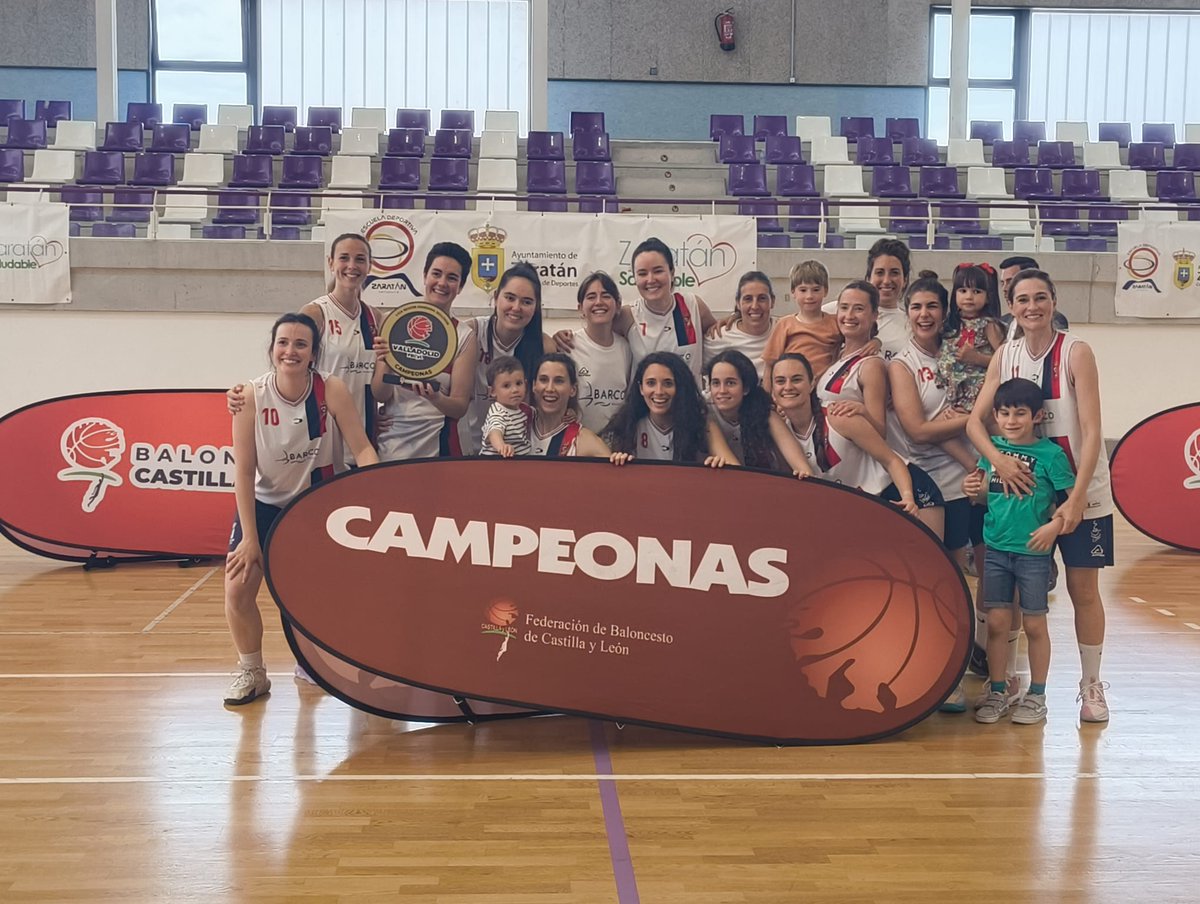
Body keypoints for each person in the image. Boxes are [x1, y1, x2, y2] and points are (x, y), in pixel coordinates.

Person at [967, 268, 1114, 723]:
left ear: (1053, 301)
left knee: (1082, 589)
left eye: (1041, 298)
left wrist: (1075, 499)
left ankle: (1091, 686)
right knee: (1009, 596)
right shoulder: (1005, 355)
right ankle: (1008, 681)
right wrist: (999, 461)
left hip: (1080, 492)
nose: (1032, 306)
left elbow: (1091, 431)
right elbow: (976, 423)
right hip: (1023, 496)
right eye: (1022, 299)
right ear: (1010, 306)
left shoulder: (1076, 351)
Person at [223, 313, 380, 706]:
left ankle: (316, 663)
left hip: (317, 505)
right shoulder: (249, 396)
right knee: (238, 588)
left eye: (300, 344)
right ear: (272, 348)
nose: (290, 351)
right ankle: (252, 670)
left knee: (317, 593)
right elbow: (243, 472)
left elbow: (361, 448)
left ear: (313, 353)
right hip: (264, 504)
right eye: (283, 342)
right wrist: (249, 540)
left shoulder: (333, 390)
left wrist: (381, 496)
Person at [888, 277, 987, 710]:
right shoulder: (901, 363)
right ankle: (936, 672)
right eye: (917, 307)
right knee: (941, 581)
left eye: (932, 306)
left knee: (988, 574)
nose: (925, 314)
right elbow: (917, 430)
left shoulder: (956, 353)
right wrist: (971, 421)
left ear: (944, 312)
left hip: (976, 478)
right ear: (906, 313)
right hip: (935, 484)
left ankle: (984, 660)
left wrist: (973, 427)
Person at [963, 377, 1076, 725]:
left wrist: (1053, 527)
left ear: (1038, 416)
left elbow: (1072, 504)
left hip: (1032, 554)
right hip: (996, 549)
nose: (1011, 421)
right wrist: (972, 489)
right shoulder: (992, 450)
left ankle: (1037, 695)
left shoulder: (1051, 456)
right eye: (1005, 413)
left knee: (1035, 624)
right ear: (995, 416)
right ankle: (999, 689)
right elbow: (983, 494)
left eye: (1020, 413)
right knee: (997, 623)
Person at [227, 234, 383, 470]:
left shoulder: (376, 317)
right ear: (331, 263)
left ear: (369, 266)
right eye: (344, 258)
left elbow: (380, 385)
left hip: (363, 434)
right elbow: (288, 363)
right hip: (322, 437)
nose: (352, 266)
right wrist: (244, 396)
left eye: (360, 259)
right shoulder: (316, 311)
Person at [770, 353, 936, 517]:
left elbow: (891, 460)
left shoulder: (839, 416)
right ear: (772, 389)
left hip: (901, 491)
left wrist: (907, 496)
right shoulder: (780, 434)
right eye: (780, 381)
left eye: (797, 379)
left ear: (812, 384)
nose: (788, 387)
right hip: (860, 507)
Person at [554, 237, 718, 384]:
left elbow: (717, 335)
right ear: (634, 278)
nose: (650, 279)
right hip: (645, 413)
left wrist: (733, 319)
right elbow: (595, 331)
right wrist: (563, 336)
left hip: (689, 412)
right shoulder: (627, 315)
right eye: (642, 273)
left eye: (658, 271)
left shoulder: (692, 306)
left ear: (672, 273)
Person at [371, 242, 479, 459]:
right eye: (436, 274)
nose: (442, 283)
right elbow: (380, 393)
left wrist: (436, 398)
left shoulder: (464, 335)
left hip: (440, 443)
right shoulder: (395, 323)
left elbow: (459, 406)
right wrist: (387, 362)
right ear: (424, 276)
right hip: (392, 441)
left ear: (460, 286)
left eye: (452, 278)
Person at [460, 262, 556, 455]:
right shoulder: (471, 332)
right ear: (496, 297)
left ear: (536, 307)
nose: (516, 307)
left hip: (517, 454)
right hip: (469, 448)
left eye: (527, 302)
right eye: (510, 298)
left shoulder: (544, 345)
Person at [601, 351, 729, 466]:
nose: (659, 391)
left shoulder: (702, 425)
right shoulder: (627, 425)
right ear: (641, 388)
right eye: (651, 383)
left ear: (680, 388)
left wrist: (719, 467)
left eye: (668, 383)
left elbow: (732, 467)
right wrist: (617, 462)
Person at [705, 348, 801, 470]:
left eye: (730, 383)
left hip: (766, 480)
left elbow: (800, 466)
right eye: (716, 383)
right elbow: (734, 469)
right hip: (737, 481)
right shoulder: (705, 411)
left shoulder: (763, 409)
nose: (722, 391)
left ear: (746, 388)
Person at [816, 280, 890, 440]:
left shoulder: (871, 365)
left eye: (859, 309)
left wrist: (862, 411)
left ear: (874, 315)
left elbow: (880, 431)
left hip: (859, 461)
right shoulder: (838, 353)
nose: (849, 315)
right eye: (844, 307)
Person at [824, 238, 912, 360]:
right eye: (880, 272)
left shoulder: (911, 325)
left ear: (905, 279)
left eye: (894, 273)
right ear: (869, 276)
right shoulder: (833, 311)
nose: (886, 281)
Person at [568, 271, 632, 434]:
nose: (598, 302)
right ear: (580, 308)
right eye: (591, 297)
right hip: (578, 444)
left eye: (605, 296)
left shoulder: (626, 348)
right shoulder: (567, 345)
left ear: (617, 305)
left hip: (615, 448)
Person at [939, 262, 1006, 413]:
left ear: (988, 297)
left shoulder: (989, 325)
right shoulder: (949, 324)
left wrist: (978, 358)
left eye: (976, 292)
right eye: (963, 290)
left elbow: (1005, 360)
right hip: (950, 391)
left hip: (980, 392)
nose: (969, 297)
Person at [529, 354, 623, 458]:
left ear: (573, 389)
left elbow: (615, 471)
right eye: (543, 380)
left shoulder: (584, 441)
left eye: (558, 381)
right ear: (534, 385)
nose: (550, 388)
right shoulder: (517, 425)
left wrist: (620, 461)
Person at [763, 260, 842, 381]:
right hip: (793, 388)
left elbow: (858, 340)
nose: (809, 296)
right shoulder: (785, 324)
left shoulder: (836, 323)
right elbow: (770, 364)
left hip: (824, 389)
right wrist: (767, 398)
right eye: (803, 290)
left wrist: (875, 342)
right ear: (793, 292)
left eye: (816, 290)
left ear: (825, 291)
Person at [703, 270, 777, 380]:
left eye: (762, 298)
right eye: (748, 299)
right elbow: (704, 376)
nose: (755, 306)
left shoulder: (784, 329)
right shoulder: (718, 337)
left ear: (772, 301)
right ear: (738, 303)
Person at [998, 255, 1069, 339]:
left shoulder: (1055, 320)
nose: (1004, 288)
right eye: (1003, 283)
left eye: (1010, 281)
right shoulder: (1003, 321)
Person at [480, 355, 533, 457]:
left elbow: (541, 417)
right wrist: (501, 446)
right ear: (493, 391)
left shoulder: (524, 409)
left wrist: (569, 412)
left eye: (518, 383)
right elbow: (494, 431)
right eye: (506, 386)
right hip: (497, 463)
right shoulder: (498, 412)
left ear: (525, 384)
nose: (515, 390)